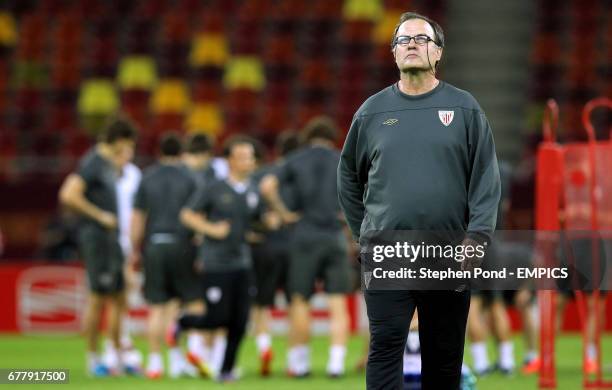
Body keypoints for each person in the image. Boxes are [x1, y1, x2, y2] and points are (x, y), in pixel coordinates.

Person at [337, 11, 501, 390]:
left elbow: (485, 177)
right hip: (387, 251)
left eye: (421, 39)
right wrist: (363, 232)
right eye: (402, 40)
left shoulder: (465, 108)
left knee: (444, 354)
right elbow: (347, 175)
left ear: (438, 52)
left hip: (448, 253)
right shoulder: (371, 111)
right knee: (386, 345)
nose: (411, 44)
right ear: (394, 54)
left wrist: (477, 236)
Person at [260, 117, 352, 378]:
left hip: (304, 234)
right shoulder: (342, 158)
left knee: (300, 300)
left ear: (308, 136)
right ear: (332, 137)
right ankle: (336, 364)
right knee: (337, 302)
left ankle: (300, 364)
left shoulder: (296, 159)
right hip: (334, 235)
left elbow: (267, 186)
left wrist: (285, 213)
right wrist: (349, 218)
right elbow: (365, 189)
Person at [172, 135, 265, 382]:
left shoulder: (254, 189)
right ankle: (183, 322)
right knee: (217, 317)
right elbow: (187, 215)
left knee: (240, 321)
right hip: (216, 263)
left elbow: (254, 221)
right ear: (230, 161)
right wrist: (212, 230)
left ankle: (226, 370)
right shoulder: (214, 188)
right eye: (243, 157)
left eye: (251, 157)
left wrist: (265, 225)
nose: (249, 161)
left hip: (242, 262)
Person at [58, 117, 137, 376]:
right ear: (119, 141)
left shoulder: (106, 164)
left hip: (110, 239)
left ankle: (115, 356)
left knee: (117, 296)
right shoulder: (92, 162)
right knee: (97, 298)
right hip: (97, 238)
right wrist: (99, 215)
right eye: (127, 144)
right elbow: (68, 194)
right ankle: (93, 359)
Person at [130, 133, 205, 379]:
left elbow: (138, 218)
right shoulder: (190, 178)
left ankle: (155, 363)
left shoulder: (147, 178)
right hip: (181, 245)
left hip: (155, 245)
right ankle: (188, 358)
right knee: (192, 303)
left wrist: (134, 249)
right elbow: (198, 216)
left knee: (158, 307)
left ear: (159, 153)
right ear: (181, 152)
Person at [250, 131, 300, 376]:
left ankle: (264, 347)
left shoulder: (262, 176)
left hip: (266, 248)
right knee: (296, 305)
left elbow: (251, 214)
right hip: (295, 248)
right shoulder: (302, 178)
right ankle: (294, 361)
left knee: (261, 305)